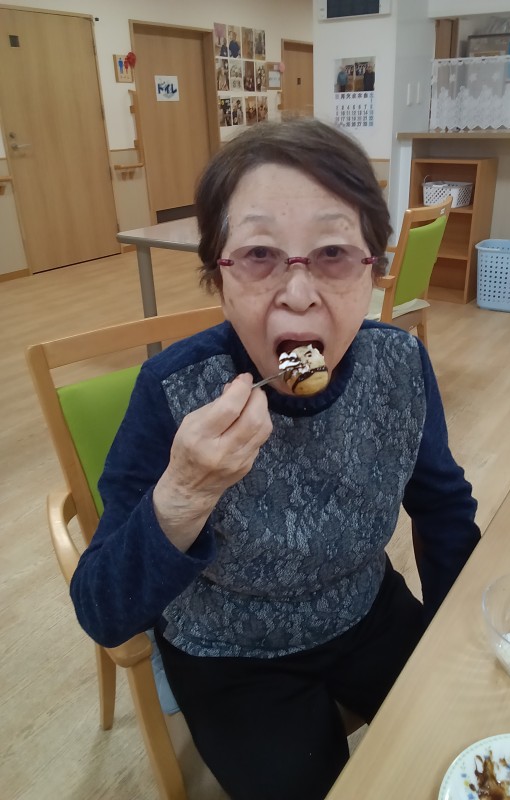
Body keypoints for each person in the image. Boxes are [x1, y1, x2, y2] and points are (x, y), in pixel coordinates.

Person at [70, 118, 480, 800]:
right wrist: (185, 493)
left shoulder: (399, 365)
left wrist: (459, 635)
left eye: (333, 253)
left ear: (373, 270)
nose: (297, 293)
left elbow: (442, 508)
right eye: (260, 254)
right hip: (231, 651)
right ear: (218, 277)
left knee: (463, 739)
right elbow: (104, 610)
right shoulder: (173, 391)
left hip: (364, 610)